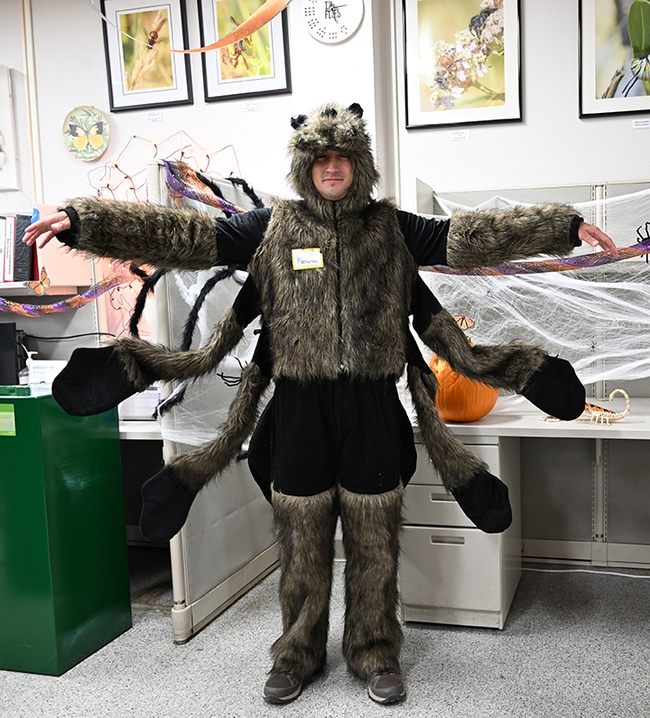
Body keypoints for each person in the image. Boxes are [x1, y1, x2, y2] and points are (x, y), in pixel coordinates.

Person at [24, 103, 617, 706]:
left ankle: (375, 650)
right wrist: (82, 220)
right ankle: (297, 652)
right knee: (301, 539)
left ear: (359, 165)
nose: (332, 168)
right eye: (320, 158)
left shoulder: (393, 227)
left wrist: (564, 228)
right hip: (299, 409)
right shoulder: (271, 226)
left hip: (371, 407)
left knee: (373, 539)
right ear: (304, 166)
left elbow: (468, 238)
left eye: (343, 157)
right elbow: (184, 235)